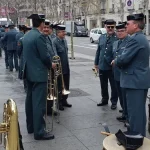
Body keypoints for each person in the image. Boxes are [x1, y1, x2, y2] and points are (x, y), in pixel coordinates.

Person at [112, 13, 150, 136]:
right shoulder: (141, 37)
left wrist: (116, 61)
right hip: (138, 81)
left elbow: (123, 59)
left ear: (135, 25)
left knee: (135, 114)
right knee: (138, 113)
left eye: (128, 24)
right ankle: (138, 137)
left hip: (134, 82)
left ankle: (137, 139)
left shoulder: (135, 39)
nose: (126, 26)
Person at [23, 14, 54, 140]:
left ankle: (31, 127)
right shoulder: (40, 36)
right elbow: (45, 56)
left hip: (28, 72)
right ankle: (39, 132)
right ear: (41, 23)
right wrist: (50, 64)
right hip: (39, 74)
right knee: (38, 104)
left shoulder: (27, 35)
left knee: (29, 101)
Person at [94, 19, 118, 110]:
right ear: (105, 27)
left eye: (112, 27)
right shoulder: (102, 37)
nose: (110, 28)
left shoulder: (117, 38)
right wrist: (96, 63)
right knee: (103, 84)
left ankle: (114, 102)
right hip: (102, 65)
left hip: (112, 67)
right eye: (109, 27)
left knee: (113, 86)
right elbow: (98, 51)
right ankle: (104, 99)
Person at [112, 22, 129, 124]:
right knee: (120, 96)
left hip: (125, 74)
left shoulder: (129, 42)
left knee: (126, 97)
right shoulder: (115, 43)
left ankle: (127, 116)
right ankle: (124, 114)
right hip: (116, 74)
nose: (119, 33)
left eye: (122, 31)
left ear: (126, 31)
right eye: (118, 31)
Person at [53, 25, 72, 110]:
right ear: (58, 33)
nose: (64, 33)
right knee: (59, 85)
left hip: (66, 67)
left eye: (64, 31)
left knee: (66, 85)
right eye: (63, 32)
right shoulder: (54, 42)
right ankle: (59, 102)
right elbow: (55, 55)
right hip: (59, 68)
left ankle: (65, 100)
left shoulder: (64, 40)